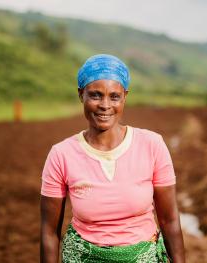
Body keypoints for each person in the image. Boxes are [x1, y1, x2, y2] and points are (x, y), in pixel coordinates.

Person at [40, 54, 185, 262]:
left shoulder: (152, 145)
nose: (105, 105)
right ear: (81, 95)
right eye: (96, 95)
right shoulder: (61, 155)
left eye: (114, 96)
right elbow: (49, 232)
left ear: (125, 96)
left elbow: (169, 220)